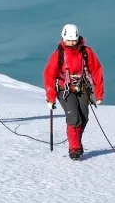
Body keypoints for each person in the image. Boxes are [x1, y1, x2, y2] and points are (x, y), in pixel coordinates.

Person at [43, 24, 104, 160]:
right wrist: (51, 98)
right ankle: (74, 149)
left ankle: (76, 141)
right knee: (74, 118)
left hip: (82, 88)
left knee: (83, 118)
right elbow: (49, 76)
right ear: (63, 38)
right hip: (64, 90)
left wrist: (99, 93)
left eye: (73, 40)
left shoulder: (86, 52)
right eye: (68, 40)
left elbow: (96, 70)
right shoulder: (58, 55)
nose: (71, 42)